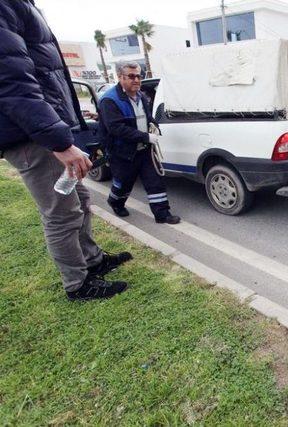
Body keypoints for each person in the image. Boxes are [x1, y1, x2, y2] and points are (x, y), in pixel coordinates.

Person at [0, 0, 131, 301]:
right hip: (30, 134)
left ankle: (93, 260)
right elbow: (12, 82)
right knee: (60, 212)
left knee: (81, 199)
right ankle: (77, 283)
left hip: (42, 127)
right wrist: (58, 141)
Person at [99, 62, 180, 224]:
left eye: (138, 76)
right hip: (122, 153)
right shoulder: (109, 100)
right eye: (131, 76)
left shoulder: (141, 96)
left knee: (155, 182)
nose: (136, 79)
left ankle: (162, 214)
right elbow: (116, 128)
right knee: (123, 184)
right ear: (120, 77)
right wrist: (145, 137)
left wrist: (153, 125)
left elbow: (147, 117)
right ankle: (115, 202)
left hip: (144, 150)